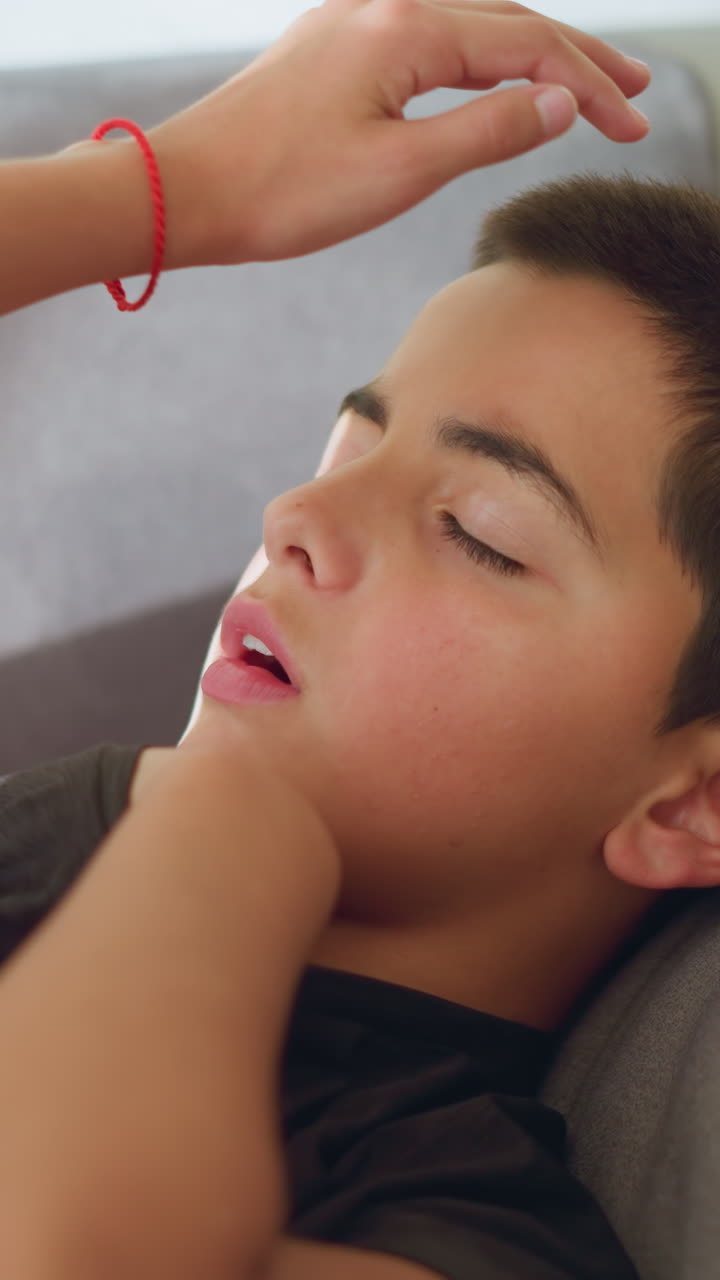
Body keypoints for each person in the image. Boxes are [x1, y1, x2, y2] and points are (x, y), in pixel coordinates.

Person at [0, 2, 676, 1277]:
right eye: (344, 447)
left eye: (476, 527)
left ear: (692, 799)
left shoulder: (459, 1223)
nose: (296, 516)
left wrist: (230, 826)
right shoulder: (62, 827)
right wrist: (168, 191)